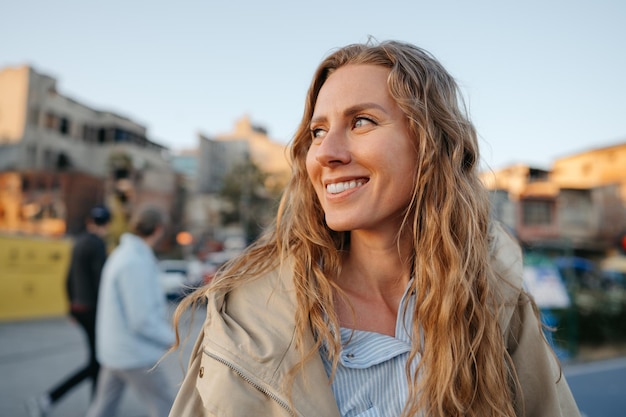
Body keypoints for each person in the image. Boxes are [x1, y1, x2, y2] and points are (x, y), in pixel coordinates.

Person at [168, 40, 581, 417]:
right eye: (318, 131)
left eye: (362, 121)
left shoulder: (495, 301)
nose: (326, 153)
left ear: (430, 143)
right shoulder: (245, 315)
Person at [85, 205, 175, 417]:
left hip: (117, 351)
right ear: (159, 229)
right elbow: (141, 319)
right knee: (168, 406)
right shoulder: (134, 262)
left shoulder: (125, 255)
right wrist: (172, 338)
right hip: (133, 354)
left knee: (103, 408)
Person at [26, 204, 111, 417]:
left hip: (79, 308)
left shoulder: (79, 242)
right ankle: (50, 399)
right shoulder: (98, 245)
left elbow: (68, 277)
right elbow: (100, 281)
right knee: (97, 362)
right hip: (93, 310)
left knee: (97, 361)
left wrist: (71, 308)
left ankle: (94, 406)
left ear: (90, 221)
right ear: (107, 225)